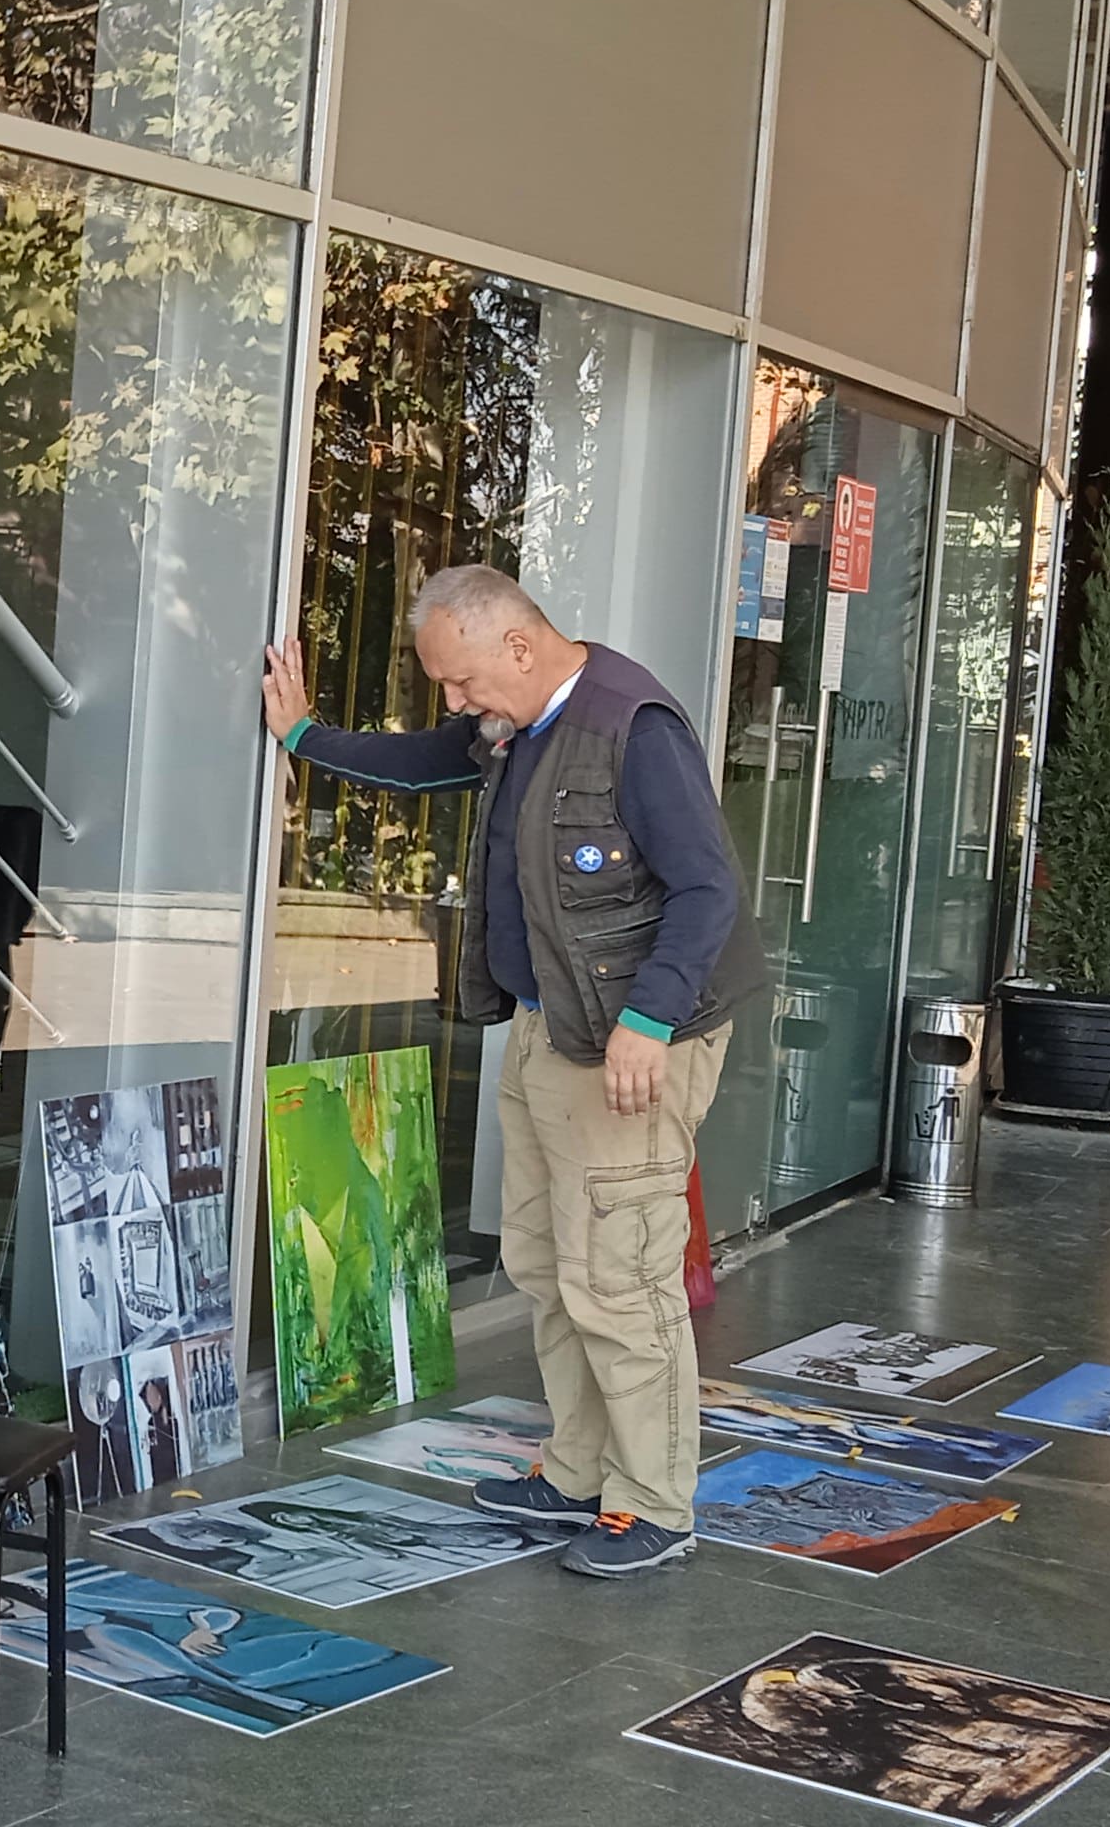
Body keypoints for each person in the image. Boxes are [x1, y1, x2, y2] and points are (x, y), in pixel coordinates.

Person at [260, 564, 762, 1577]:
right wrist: (304, 736)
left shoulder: (632, 728)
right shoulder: (515, 722)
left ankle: (653, 1505)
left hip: (629, 1041)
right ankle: (575, 1473)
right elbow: (422, 761)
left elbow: (708, 889)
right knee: (545, 1262)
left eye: (461, 681)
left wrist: (648, 1021)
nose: (454, 703)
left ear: (519, 647)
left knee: (617, 1277)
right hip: (549, 1025)